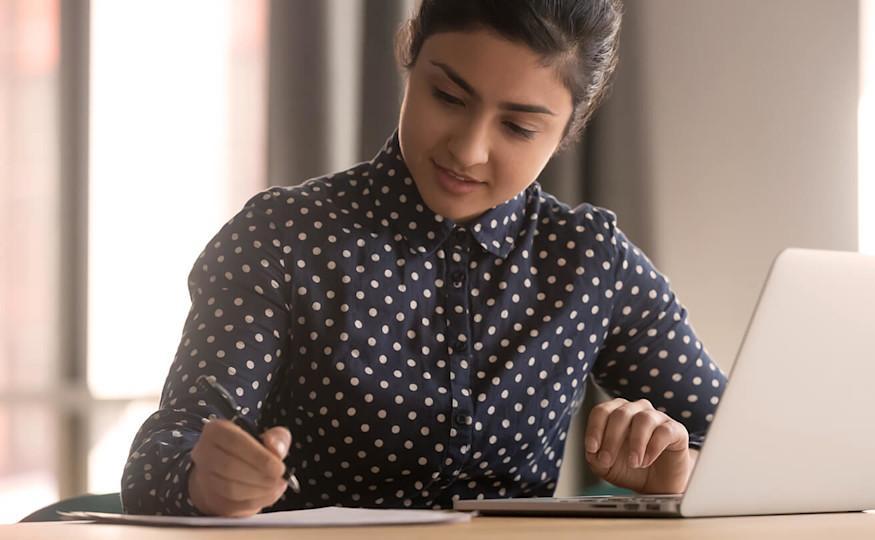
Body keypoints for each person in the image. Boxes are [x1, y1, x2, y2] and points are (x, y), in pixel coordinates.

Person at [122, 0, 727, 517]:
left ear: (570, 127)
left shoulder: (590, 263)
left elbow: (742, 449)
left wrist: (680, 472)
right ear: (410, 51)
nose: (468, 149)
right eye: (447, 95)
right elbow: (161, 456)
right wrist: (206, 480)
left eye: (517, 127)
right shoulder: (282, 237)